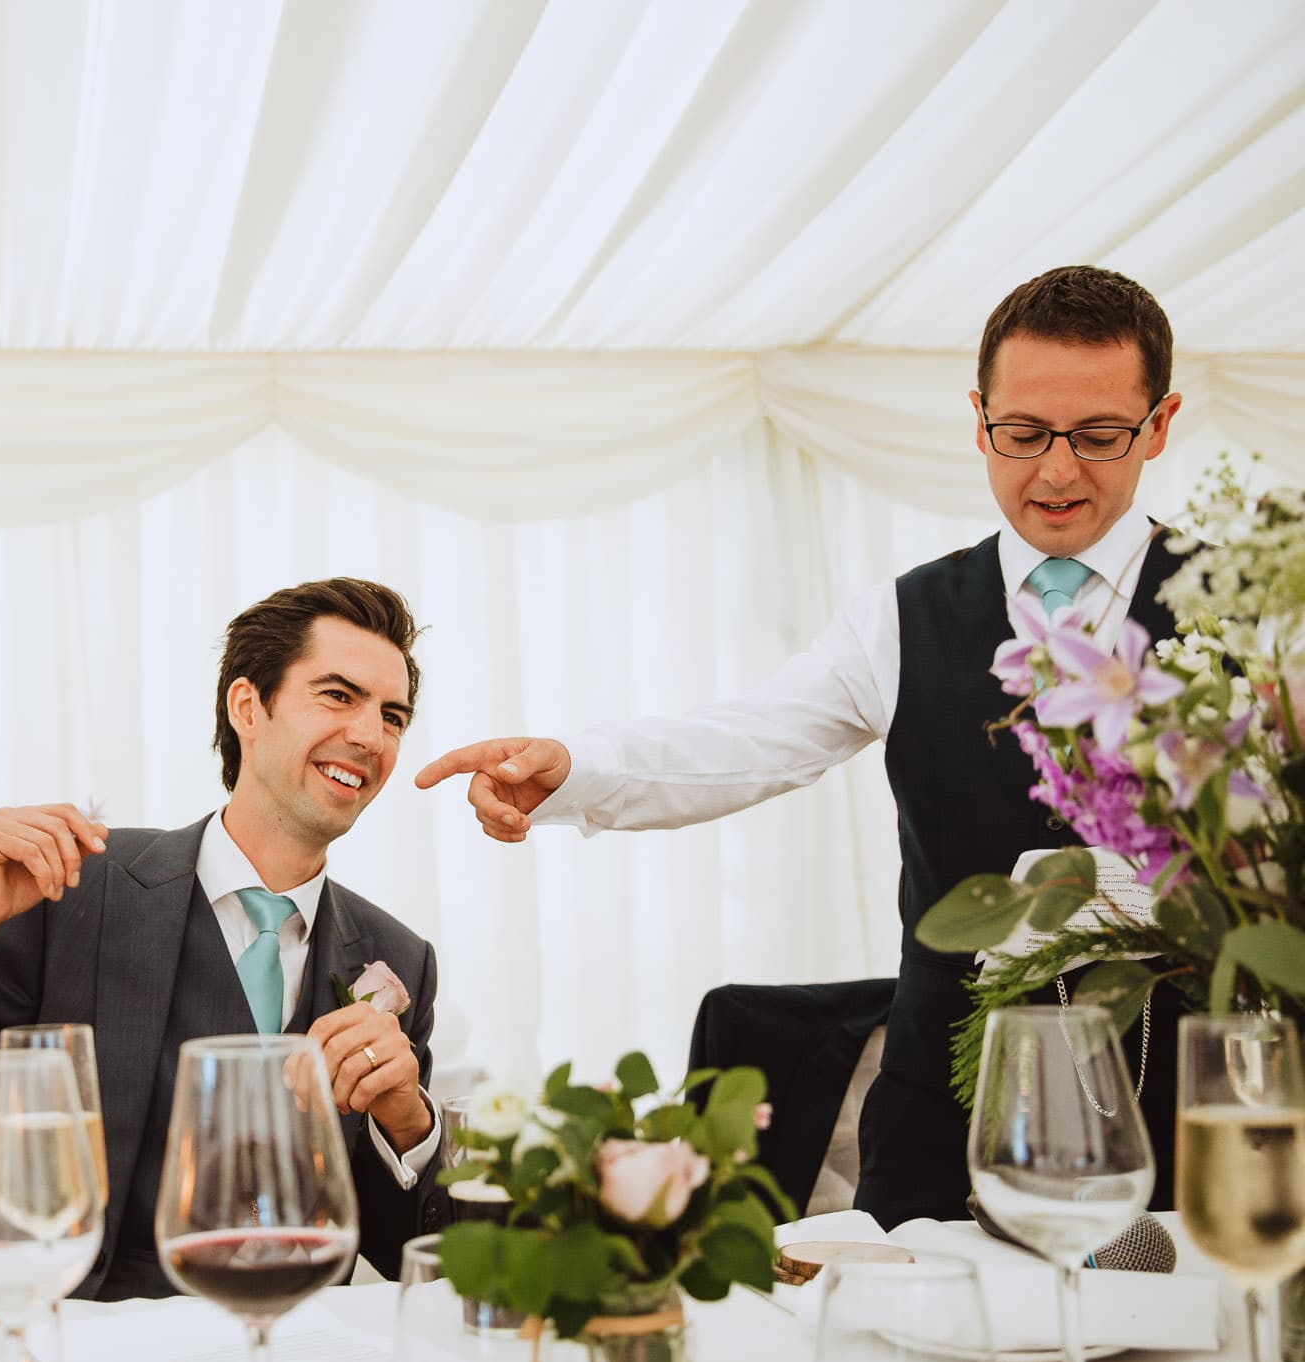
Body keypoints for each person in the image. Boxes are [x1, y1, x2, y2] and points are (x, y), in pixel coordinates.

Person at [416, 265, 1189, 1226]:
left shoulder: (1251, 607)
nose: (1057, 470)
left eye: (1100, 436)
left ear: (1158, 425)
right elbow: (746, 740)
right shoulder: (902, 620)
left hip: (1187, 1111)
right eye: (1022, 434)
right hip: (941, 1122)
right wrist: (574, 769)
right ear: (979, 416)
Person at [0, 577, 447, 1301]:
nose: (370, 736)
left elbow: (407, 1252)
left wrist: (410, 1123)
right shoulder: (72, 888)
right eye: (338, 695)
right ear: (247, 706)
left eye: (392, 715)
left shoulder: (399, 956)